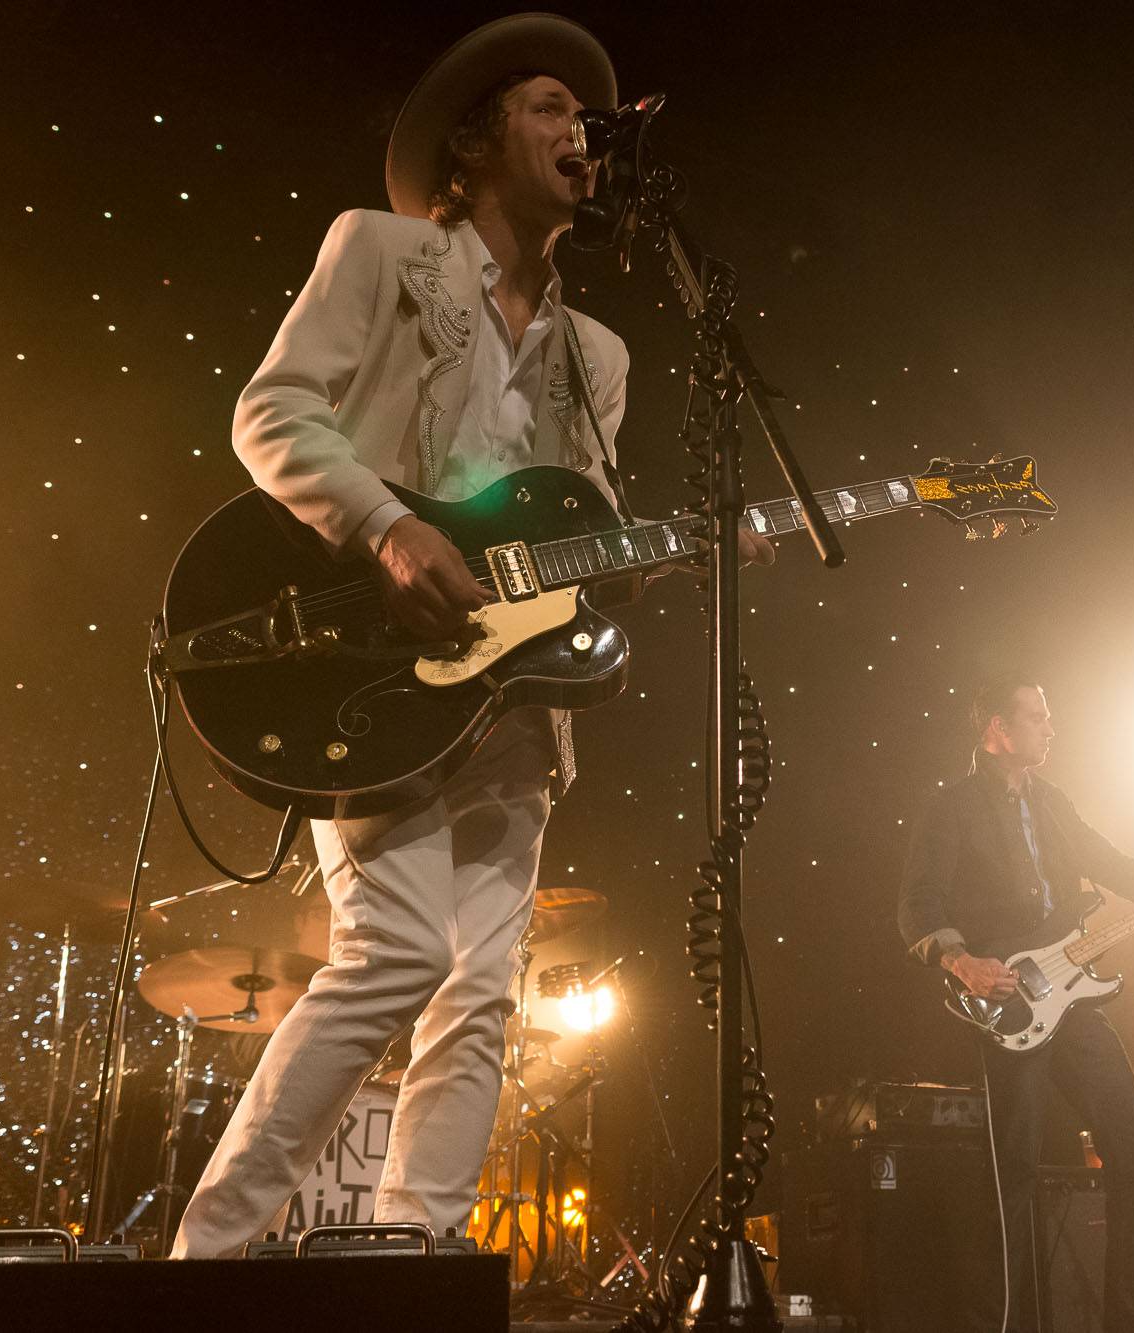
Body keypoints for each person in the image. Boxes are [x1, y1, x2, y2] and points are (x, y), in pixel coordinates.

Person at [172, 14, 769, 1258]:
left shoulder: (595, 352)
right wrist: (389, 528)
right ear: (478, 136)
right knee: (393, 951)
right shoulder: (382, 251)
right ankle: (210, 1256)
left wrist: (667, 557)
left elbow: (573, 542)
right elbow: (270, 411)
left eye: (584, 120)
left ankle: (416, 1260)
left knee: (482, 991)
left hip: (510, 700)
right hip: (368, 665)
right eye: (550, 108)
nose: (580, 137)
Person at [899, 678, 1134, 1333]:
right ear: (997, 731)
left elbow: (1110, 861)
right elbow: (918, 904)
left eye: (1049, 714)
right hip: (1006, 1003)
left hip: (1070, 994)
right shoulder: (952, 806)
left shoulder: (1052, 802)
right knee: (1012, 1173)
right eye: (1036, 716)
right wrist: (962, 961)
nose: (1050, 727)